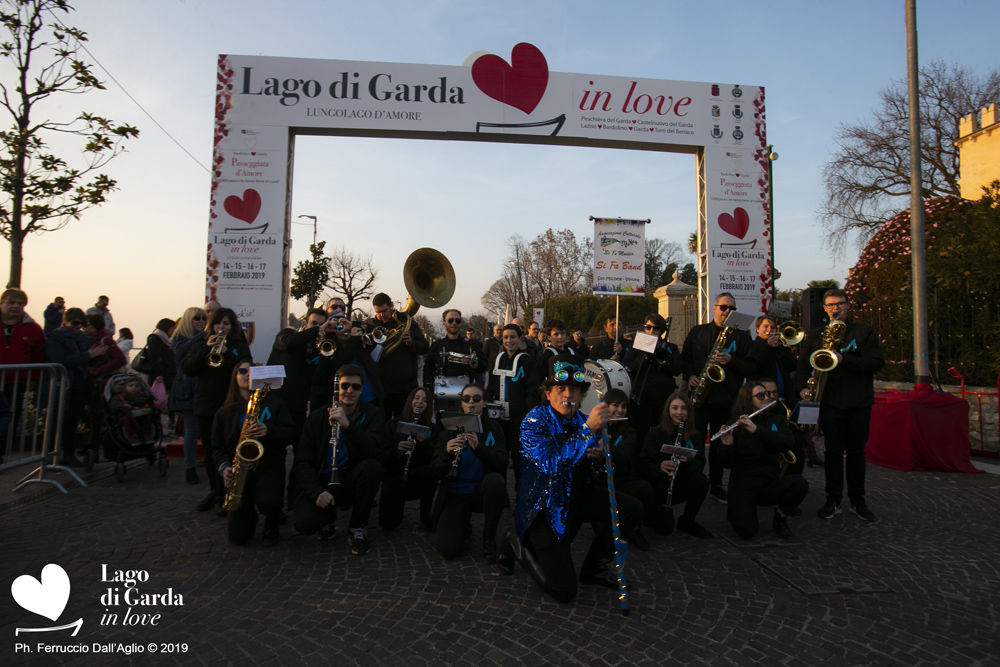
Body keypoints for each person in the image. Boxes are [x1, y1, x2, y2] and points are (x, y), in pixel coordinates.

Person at [497, 355, 642, 603]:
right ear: (549, 393)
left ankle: (594, 568)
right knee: (564, 591)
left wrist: (600, 459)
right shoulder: (533, 421)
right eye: (560, 389)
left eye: (574, 390)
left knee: (631, 509)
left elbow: (608, 471)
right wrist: (588, 433)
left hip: (576, 498)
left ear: (582, 395)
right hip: (544, 508)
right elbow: (552, 465)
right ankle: (516, 542)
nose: (568, 395)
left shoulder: (582, 420)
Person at [797, 288, 884, 522]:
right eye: (831, 305)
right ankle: (833, 499)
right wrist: (803, 388)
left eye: (840, 304)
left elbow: (875, 362)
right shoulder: (816, 335)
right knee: (833, 454)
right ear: (824, 308)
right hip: (830, 403)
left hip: (859, 403)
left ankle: (858, 501)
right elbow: (803, 366)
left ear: (848, 305)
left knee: (856, 454)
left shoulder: (864, 332)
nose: (836, 308)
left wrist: (845, 360)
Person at [292, 364, 386, 555]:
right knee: (305, 524)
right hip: (323, 482)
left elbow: (373, 450)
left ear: (362, 390)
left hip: (349, 478)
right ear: (336, 388)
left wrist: (348, 426)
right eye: (344, 386)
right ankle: (326, 519)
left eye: (356, 387)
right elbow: (302, 461)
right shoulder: (317, 417)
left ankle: (357, 527)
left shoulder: (373, 414)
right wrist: (315, 492)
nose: (349, 391)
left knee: (372, 467)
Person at [681, 292, 753, 503]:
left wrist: (732, 360)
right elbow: (685, 359)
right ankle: (692, 479)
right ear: (713, 308)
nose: (727, 312)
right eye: (723, 307)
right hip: (700, 398)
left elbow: (750, 367)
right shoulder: (697, 332)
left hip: (727, 399)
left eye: (731, 308)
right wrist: (691, 376)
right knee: (695, 440)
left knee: (720, 444)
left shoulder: (743, 336)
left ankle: (716, 484)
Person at [213, 362, 295, 546]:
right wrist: (224, 466)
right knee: (238, 537)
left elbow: (290, 433)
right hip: (239, 470)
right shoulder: (224, 412)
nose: (248, 374)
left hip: (268, 467)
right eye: (242, 370)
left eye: (253, 370)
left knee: (270, 500)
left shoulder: (276, 404)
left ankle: (272, 521)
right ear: (235, 377)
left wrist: (270, 430)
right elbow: (216, 447)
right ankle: (250, 515)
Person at [183, 307, 253, 513]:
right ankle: (215, 491)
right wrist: (206, 349)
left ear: (232, 326)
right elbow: (188, 368)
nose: (221, 327)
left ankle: (229, 493)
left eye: (225, 323)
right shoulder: (200, 343)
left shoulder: (239, 346)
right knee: (210, 451)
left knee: (230, 449)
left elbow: (245, 367)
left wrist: (228, 354)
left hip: (229, 405)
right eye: (217, 323)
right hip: (205, 404)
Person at [719, 380, 808, 541]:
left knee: (799, 483)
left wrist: (757, 430)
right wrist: (727, 445)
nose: (767, 398)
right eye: (760, 395)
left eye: (767, 394)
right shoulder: (736, 424)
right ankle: (736, 511)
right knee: (747, 532)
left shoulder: (777, 420)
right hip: (743, 485)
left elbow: (787, 442)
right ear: (748, 399)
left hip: (768, 483)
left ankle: (780, 517)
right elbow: (726, 463)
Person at [430, 383, 508, 561]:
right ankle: (463, 525)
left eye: (476, 398)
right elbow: (435, 472)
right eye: (466, 399)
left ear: (485, 403)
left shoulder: (494, 429)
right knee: (448, 549)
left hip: (481, 492)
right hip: (456, 494)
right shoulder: (448, 431)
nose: (471, 402)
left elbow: (502, 465)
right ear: (461, 404)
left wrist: (479, 447)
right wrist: (446, 454)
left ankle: (488, 537)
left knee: (496, 481)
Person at [639, 393, 713, 538]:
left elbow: (699, 464)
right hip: (659, 486)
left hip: (680, 483)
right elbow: (643, 464)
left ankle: (688, 520)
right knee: (664, 529)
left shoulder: (695, 436)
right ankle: (651, 513)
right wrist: (659, 466)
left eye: (684, 409)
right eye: (675, 408)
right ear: (668, 410)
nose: (679, 412)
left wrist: (687, 463)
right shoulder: (655, 434)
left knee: (702, 481)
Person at [266, 308, 339, 444]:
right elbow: (289, 342)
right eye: (314, 323)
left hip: (298, 407)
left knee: (299, 444)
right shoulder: (287, 334)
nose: (319, 327)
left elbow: (315, 379)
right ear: (305, 324)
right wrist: (319, 330)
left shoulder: (317, 348)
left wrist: (324, 354)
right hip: (276, 402)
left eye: (321, 324)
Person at [45, 308, 106, 466]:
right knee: (58, 421)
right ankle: (51, 456)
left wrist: (96, 355)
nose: (79, 327)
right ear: (65, 321)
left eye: (82, 323)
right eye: (75, 323)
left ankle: (68, 454)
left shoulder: (82, 338)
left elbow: (86, 360)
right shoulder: (56, 336)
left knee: (72, 422)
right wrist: (88, 356)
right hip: (63, 385)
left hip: (79, 385)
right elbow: (59, 359)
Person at [378, 387, 438, 531]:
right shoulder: (393, 425)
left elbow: (434, 459)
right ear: (410, 401)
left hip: (417, 478)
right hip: (395, 478)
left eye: (424, 400)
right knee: (388, 524)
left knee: (431, 471)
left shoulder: (433, 429)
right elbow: (381, 458)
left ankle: (426, 511)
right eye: (416, 398)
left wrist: (423, 445)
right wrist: (397, 451)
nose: (419, 402)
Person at [601, 388, 653, 551]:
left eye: (623, 407)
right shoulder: (595, 427)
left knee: (644, 488)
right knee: (603, 534)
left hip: (621, 480)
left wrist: (606, 447)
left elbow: (624, 455)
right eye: (615, 405)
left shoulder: (630, 432)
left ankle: (635, 529)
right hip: (600, 482)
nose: (620, 410)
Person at [365, 293, 428, 419]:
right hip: (381, 389)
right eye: (378, 312)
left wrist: (411, 343)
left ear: (392, 306)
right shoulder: (370, 325)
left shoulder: (406, 321)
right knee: (381, 425)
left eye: (385, 311)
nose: (381, 315)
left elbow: (424, 347)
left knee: (404, 424)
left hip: (405, 388)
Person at [623, 313, 683, 446]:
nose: (651, 331)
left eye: (656, 328)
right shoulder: (636, 345)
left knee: (662, 435)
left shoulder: (671, 347)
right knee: (640, 436)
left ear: (661, 331)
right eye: (648, 327)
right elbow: (628, 367)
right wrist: (645, 357)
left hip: (663, 398)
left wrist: (667, 358)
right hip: (641, 398)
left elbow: (678, 369)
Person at [487, 323, 538, 477]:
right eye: (506, 337)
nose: (509, 341)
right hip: (498, 420)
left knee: (518, 460)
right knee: (498, 458)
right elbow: (491, 387)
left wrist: (530, 417)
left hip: (518, 418)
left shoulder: (526, 361)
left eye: (513, 337)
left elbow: (532, 391)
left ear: (520, 338)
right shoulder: (498, 359)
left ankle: (519, 496)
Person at [170, 307, 208, 484]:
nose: (201, 321)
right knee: (191, 430)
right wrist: (201, 337)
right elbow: (182, 352)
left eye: (203, 318)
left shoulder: (206, 337)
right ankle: (189, 467)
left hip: (202, 388)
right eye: (197, 319)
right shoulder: (179, 339)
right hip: (186, 390)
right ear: (188, 320)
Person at [424, 309, 487, 396]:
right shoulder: (436, 346)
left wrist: (477, 364)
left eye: (457, 320)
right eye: (450, 320)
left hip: (466, 395)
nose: (454, 323)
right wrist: (429, 389)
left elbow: (484, 365)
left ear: (460, 323)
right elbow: (427, 369)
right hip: (440, 394)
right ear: (444, 323)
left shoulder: (472, 345)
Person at [108, 376, 156, 443]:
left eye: (137, 386)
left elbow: (151, 405)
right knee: (125, 420)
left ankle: (147, 435)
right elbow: (113, 404)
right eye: (130, 386)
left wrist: (150, 409)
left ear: (141, 388)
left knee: (147, 418)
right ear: (125, 388)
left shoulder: (144, 396)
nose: (134, 388)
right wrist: (122, 405)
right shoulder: (120, 396)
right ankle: (133, 437)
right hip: (126, 415)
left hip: (141, 414)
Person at [532, 320, 576, 386]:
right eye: (556, 334)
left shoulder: (572, 352)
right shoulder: (545, 356)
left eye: (562, 333)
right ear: (549, 337)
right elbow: (538, 380)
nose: (560, 337)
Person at [146, 318, 176, 393]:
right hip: (159, 376)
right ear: (166, 327)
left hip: (168, 374)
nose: (174, 331)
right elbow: (153, 357)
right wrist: (159, 374)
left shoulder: (167, 340)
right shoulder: (155, 338)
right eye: (173, 328)